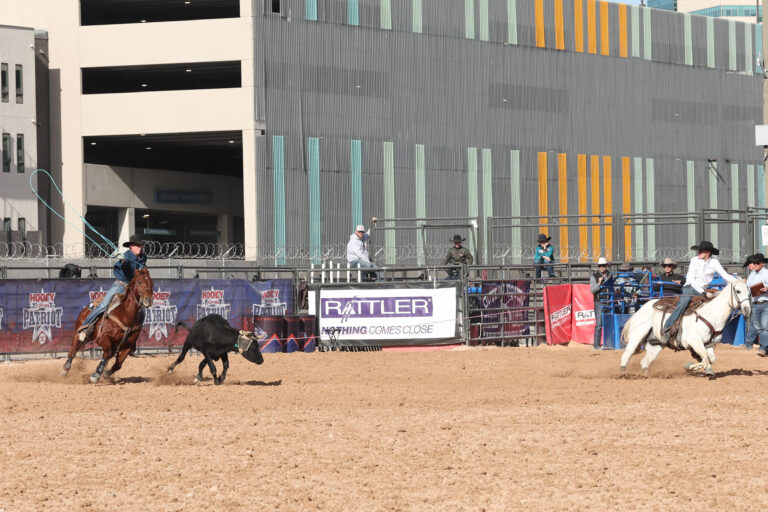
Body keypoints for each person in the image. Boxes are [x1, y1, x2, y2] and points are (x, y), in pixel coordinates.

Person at [661, 240, 737, 344]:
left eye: (701, 251)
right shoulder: (694, 260)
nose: (699, 252)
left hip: (703, 291)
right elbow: (691, 278)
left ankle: (711, 333)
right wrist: (702, 292)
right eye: (699, 251)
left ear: (708, 253)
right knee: (683, 303)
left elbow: (725, 276)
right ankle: (667, 329)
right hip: (690, 288)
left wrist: (738, 281)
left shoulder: (714, 263)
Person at [78, 234, 148, 341]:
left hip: (132, 289)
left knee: (141, 313)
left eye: (140, 246)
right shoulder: (126, 256)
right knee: (103, 305)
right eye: (136, 246)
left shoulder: (143, 257)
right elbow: (121, 265)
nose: (139, 248)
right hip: (120, 285)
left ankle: (132, 340)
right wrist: (122, 261)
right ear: (131, 247)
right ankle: (84, 328)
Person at [743, 253, 768, 353]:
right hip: (755, 304)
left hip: (766, 303)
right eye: (754, 262)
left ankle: (763, 348)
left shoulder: (766, 273)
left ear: (762, 263)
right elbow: (748, 289)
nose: (755, 264)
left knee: (764, 327)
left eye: (757, 262)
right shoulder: (751, 275)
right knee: (757, 327)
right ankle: (750, 345)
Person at [590, 257, 612, 349]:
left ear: (606, 266)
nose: (601, 267)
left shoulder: (610, 275)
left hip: (609, 302)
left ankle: (608, 344)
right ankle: (596, 345)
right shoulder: (594, 276)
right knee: (599, 324)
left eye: (603, 265)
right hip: (599, 302)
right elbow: (592, 290)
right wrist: (599, 283)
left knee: (608, 324)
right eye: (600, 266)